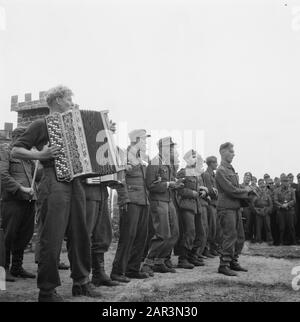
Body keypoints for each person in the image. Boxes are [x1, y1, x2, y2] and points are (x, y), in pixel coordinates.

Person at [11, 85, 100, 302]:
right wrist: (41, 154)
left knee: (80, 234)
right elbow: (16, 149)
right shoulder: (42, 124)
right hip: (53, 182)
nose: (72, 103)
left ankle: (81, 283)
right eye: (69, 98)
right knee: (52, 237)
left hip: (76, 183)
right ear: (58, 100)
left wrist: (104, 132)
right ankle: (47, 290)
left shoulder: (76, 125)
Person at [111, 129, 151, 282]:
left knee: (141, 236)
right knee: (127, 237)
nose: (145, 143)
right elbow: (120, 179)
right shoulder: (123, 154)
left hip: (143, 201)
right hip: (131, 201)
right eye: (144, 140)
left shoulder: (140, 158)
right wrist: (124, 199)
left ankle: (132, 269)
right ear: (136, 140)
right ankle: (117, 271)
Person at [0, 128, 40, 282]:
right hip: (13, 200)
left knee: (24, 235)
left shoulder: (28, 157)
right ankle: (3, 270)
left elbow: (37, 177)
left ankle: (17, 267)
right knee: (8, 236)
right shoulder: (6, 152)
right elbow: (2, 175)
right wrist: (21, 188)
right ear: (16, 138)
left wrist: (42, 160)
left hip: (29, 200)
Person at [143, 137, 182, 273]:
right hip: (158, 200)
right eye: (170, 147)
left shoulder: (167, 164)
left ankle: (160, 261)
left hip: (168, 200)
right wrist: (168, 184)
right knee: (162, 233)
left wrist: (175, 183)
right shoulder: (155, 162)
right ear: (162, 148)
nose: (172, 150)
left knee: (174, 232)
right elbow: (150, 185)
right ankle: (148, 263)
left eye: (172, 147)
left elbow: (169, 181)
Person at [216, 142, 254, 276]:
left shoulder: (230, 169)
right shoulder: (220, 170)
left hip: (235, 207)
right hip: (226, 208)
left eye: (233, 151)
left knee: (240, 237)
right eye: (231, 151)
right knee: (230, 236)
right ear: (222, 152)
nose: (234, 153)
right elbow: (230, 190)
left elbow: (235, 188)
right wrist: (246, 192)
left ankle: (233, 261)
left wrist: (246, 191)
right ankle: (224, 264)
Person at [175, 149, 208, 269]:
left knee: (200, 232)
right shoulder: (182, 172)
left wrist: (202, 191)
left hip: (197, 206)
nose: (195, 159)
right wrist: (192, 193)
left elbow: (198, 187)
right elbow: (179, 189)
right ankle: (182, 259)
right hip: (186, 206)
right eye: (193, 157)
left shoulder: (195, 173)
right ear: (187, 159)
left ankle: (192, 256)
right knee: (190, 231)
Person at [202, 156, 220, 256]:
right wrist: (215, 192)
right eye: (215, 162)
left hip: (215, 204)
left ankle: (213, 248)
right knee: (210, 227)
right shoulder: (206, 175)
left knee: (215, 228)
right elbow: (209, 190)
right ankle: (206, 249)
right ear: (211, 163)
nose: (216, 164)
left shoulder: (213, 175)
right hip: (210, 204)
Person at [274, 174, 296, 245]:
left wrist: (288, 204)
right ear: (281, 182)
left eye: (287, 181)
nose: (286, 183)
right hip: (281, 211)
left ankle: (293, 241)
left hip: (289, 211)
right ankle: (281, 241)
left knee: (291, 227)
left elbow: (294, 200)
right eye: (284, 181)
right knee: (281, 227)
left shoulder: (292, 190)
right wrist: (281, 205)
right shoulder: (277, 190)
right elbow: (275, 200)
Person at [252, 179, 273, 244]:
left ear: (265, 186)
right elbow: (252, 205)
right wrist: (257, 211)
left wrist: (267, 210)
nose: (262, 187)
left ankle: (269, 240)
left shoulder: (268, 194)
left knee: (268, 227)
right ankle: (258, 240)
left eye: (263, 186)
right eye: (261, 185)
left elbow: (271, 204)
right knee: (258, 227)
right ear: (259, 186)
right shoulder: (255, 195)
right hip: (258, 213)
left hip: (266, 212)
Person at [241, 172, 255, 242]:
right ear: (243, 177)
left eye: (249, 178)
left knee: (250, 223)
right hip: (244, 207)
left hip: (251, 207)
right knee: (244, 223)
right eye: (246, 177)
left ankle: (249, 237)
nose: (247, 179)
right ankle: (244, 237)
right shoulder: (240, 186)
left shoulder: (251, 187)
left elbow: (254, 197)